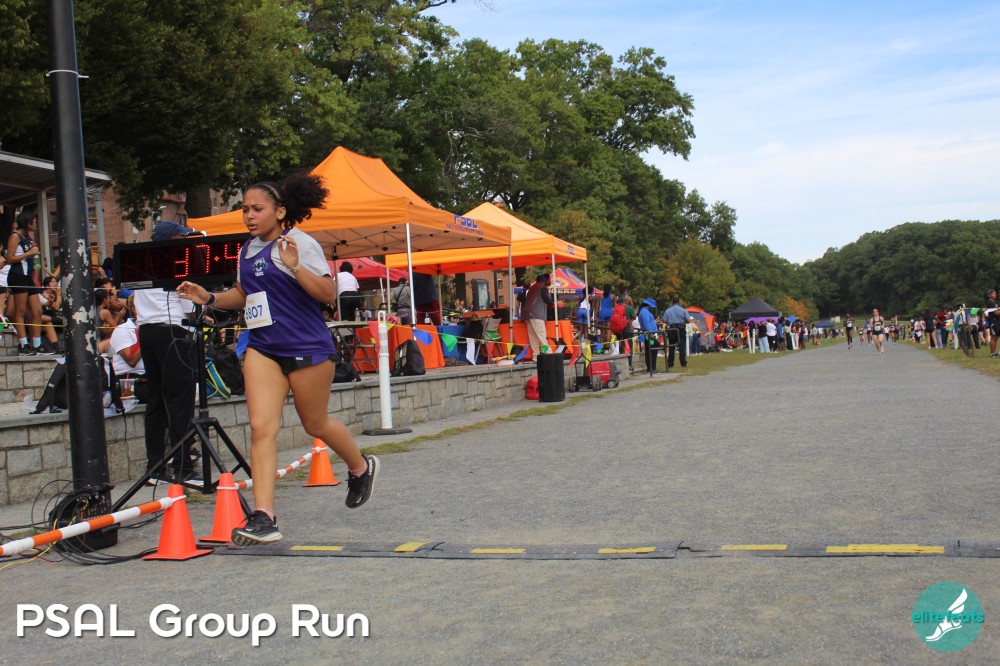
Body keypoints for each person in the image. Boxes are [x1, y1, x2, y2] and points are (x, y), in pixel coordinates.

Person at [178, 172, 379, 546]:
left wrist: (295, 266)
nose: (249, 216)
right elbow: (244, 293)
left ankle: (360, 467)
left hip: (306, 346)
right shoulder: (246, 250)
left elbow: (328, 294)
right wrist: (209, 298)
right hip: (263, 347)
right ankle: (264, 517)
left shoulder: (299, 243)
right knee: (261, 428)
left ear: (280, 211)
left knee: (315, 423)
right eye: (245, 209)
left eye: (257, 209)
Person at [136, 220, 204, 488]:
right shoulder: (179, 264)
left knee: (156, 400)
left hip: (147, 332)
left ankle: (154, 467)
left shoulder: (141, 262)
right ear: (174, 239)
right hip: (173, 332)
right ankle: (183, 467)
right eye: (182, 238)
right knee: (180, 401)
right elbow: (189, 306)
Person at [7, 209, 44, 355]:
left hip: (28, 277)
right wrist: (28, 253)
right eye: (34, 222)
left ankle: (37, 344)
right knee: (20, 311)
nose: (35, 224)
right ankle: (24, 344)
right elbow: (10, 258)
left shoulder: (27, 238)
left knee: (37, 311)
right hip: (17, 275)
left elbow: (35, 262)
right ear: (27, 223)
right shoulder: (15, 236)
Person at [109, 294, 147, 402]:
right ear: (134, 309)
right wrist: (147, 333)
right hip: (131, 380)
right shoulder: (123, 330)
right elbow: (131, 359)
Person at [522, 272, 553, 359]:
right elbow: (548, 300)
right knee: (541, 335)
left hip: (527, 314)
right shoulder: (542, 288)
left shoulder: (531, 288)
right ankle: (549, 353)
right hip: (536, 314)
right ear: (543, 281)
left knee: (533, 336)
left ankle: (535, 355)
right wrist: (553, 303)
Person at [662, 295, 688, 368]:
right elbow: (688, 319)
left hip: (672, 330)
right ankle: (683, 362)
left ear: (672, 302)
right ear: (678, 302)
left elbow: (664, 320)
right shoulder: (683, 310)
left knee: (671, 347)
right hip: (681, 329)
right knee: (682, 347)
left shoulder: (668, 310)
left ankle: (670, 363)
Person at [637, 298, 660, 373]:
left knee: (650, 351)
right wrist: (650, 333)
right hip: (649, 334)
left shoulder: (644, 312)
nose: (653, 309)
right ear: (649, 306)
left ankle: (651, 367)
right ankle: (652, 368)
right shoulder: (645, 312)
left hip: (650, 333)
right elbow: (647, 323)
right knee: (652, 351)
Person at [986, 289, 1000, 358]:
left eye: (995, 293)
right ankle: (993, 353)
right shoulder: (990, 303)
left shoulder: (995, 303)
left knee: (995, 337)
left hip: (997, 321)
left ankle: (993, 353)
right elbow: (996, 313)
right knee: (993, 337)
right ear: (989, 295)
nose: (995, 294)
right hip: (993, 321)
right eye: (993, 293)